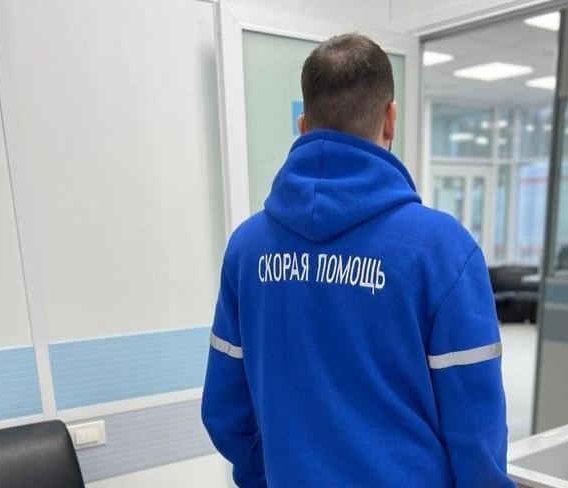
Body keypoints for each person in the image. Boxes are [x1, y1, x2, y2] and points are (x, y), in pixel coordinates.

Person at [202, 33, 513, 487]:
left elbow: (225, 412)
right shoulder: (443, 250)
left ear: (303, 125)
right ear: (390, 119)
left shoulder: (247, 250)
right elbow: (477, 434)